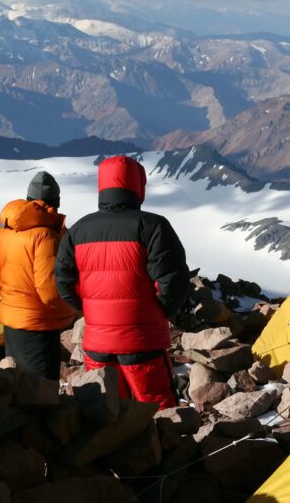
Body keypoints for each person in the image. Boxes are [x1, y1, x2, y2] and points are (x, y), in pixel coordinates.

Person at [55, 155, 190, 409]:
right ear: (138, 186)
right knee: (157, 408)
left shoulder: (79, 230)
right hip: (143, 341)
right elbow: (174, 281)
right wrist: (161, 311)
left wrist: (92, 311)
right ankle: (161, 447)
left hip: (97, 344)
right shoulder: (153, 226)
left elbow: (64, 283)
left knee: (111, 411)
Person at [0, 171, 75, 380]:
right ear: (55, 202)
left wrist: (16, 302)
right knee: (40, 393)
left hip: (12, 322)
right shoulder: (45, 236)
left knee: (18, 385)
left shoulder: (7, 230)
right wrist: (73, 310)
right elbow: (50, 292)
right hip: (38, 325)